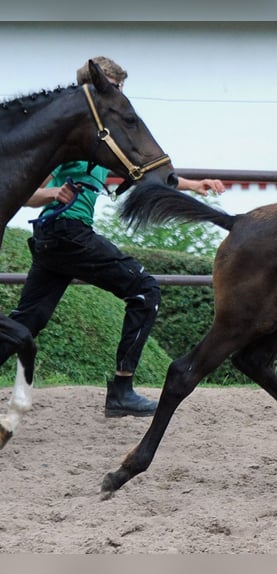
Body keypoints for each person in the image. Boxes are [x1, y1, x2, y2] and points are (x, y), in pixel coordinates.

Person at [0, 56, 225, 417]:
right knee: (145, 290)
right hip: (66, 232)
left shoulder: (94, 142)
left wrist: (194, 186)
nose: (119, 97)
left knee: (28, 321)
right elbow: (23, 192)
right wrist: (53, 195)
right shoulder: (69, 142)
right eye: (116, 89)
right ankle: (122, 389)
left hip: (53, 239)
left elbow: (142, 170)